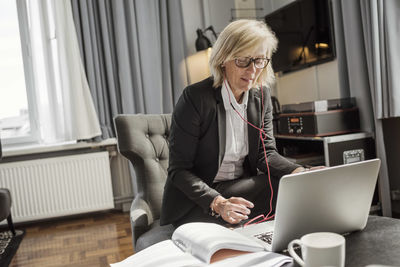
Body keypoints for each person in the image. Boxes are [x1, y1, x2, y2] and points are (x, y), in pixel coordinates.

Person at [160, 19, 307, 228]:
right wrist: (219, 203)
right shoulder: (195, 98)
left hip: (238, 188)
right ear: (223, 59)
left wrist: (299, 172)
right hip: (199, 199)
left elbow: (267, 153)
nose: (253, 70)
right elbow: (179, 170)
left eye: (259, 60)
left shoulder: (261, 95)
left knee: (291, 185)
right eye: (243, 61)